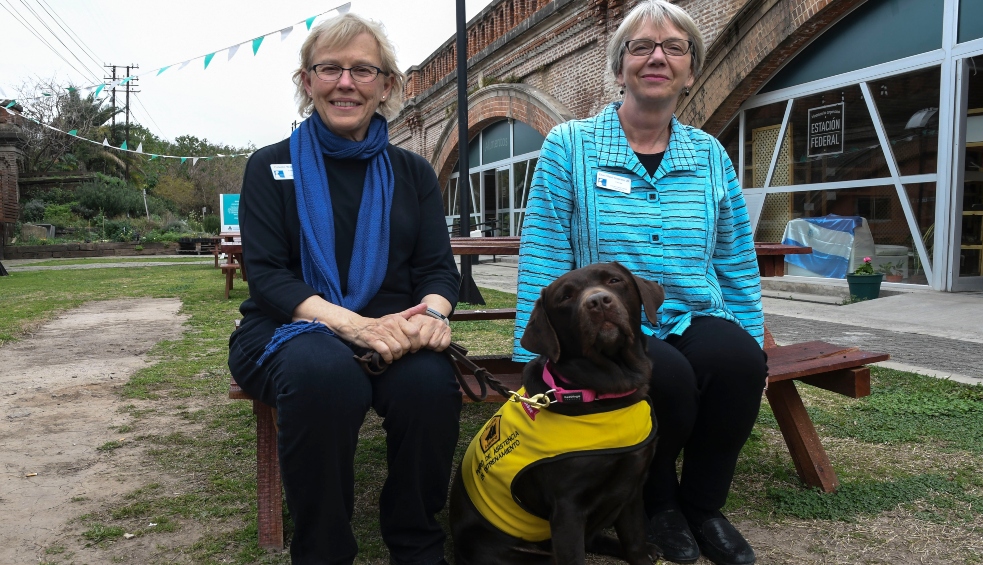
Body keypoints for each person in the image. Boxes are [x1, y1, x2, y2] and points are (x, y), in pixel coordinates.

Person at [512, 2, 767, 564]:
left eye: (674, 47)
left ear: (691, 69)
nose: (658, 57)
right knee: (667, 377)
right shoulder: (569, 146)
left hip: (691, 310)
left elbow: (734, 256)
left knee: (739, 364)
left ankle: (703, 505)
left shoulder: (709, 156)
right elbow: (546, 251)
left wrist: (751, 331)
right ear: (619, 64)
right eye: (642, 46)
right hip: (606, 324)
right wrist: (535, 361)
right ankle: (660, 504)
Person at [228, 13, 461, 565]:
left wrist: (431, 314)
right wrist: (353, 326)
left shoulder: (413, 173)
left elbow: (437, 269)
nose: (346, 82)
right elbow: (268, 276)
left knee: (430, 386)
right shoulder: (268, 167)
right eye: (329, 68)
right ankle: (324, 550)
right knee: (325, 376)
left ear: (386, 85)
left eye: (362, 69)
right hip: (289, 327)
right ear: (307, 82)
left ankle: (415, 540)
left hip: (395, 329)